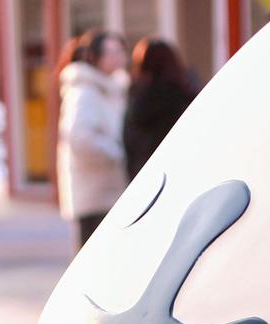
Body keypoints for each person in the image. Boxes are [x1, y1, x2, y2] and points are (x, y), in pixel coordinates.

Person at [55, 28, 129, 251]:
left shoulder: (113, 88)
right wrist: (116, 153)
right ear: (95, 56)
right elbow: (79, 138)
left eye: (120, 51)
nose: (117, 57)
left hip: (111, 188)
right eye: (111, 52)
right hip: (93, 193)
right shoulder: (84, 92)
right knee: (93, 257)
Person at [123, 37, 199, 178]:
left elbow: (130, 141)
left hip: (149, 174)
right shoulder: (188, 90)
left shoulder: (139, 97)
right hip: (187, 167)